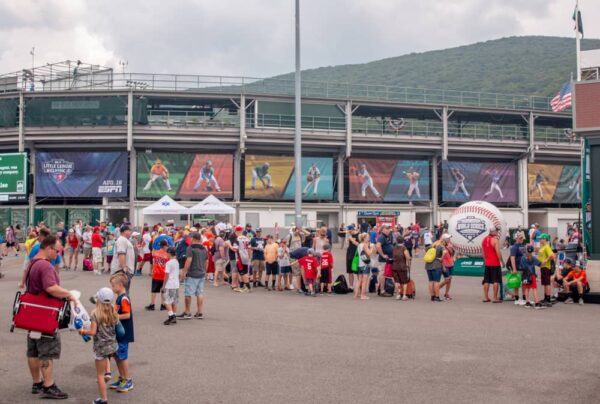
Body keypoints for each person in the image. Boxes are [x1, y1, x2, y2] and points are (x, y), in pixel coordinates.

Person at [23, 235, 73, 400]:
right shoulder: (45, 266)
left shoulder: (33, 263)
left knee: (33, 350)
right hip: (45, 315)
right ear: (49, 248)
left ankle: (36, 382)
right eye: (57, 251)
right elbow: (51, 288)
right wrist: (69, 294)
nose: (57, 254)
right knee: (47, 350)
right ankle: (48, 385)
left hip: (32, 313)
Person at [79, 287, 119, 404]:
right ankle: (109, 372)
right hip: (112, 346)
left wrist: (82, 331)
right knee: (106, 361)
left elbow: (92, 332)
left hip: (100, 348)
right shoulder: (114, 312)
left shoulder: (95, 314)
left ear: (98, 300)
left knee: (100, 376)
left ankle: (103, 399)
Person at [109, 273, 134, 393]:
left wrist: (115, 317)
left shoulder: (124, 298)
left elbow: (127, 314)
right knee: (118, 356)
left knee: (122, 357)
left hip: (124, 333)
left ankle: (128, 380)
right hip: (119, 332)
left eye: (113, 286)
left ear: (120, 285)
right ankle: (122, 378)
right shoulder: (119, 297)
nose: (112, 288)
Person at [178, 232, 208, 319]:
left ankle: (187, 312)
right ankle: (199, 312)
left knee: (188, 294)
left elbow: (188, 260)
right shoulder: (204, 249)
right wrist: (204, 271)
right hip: (201, 273)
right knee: (200, 293)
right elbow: (207, 261)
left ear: (194, 239)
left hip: (192, 274)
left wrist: (184, 272)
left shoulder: (190, 248)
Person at [110, 225, 136, 291]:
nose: (130, 232)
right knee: (123, 292)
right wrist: (124, 268)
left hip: (124, 270)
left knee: (124, 291)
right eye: (129, 230)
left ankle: (123, 301)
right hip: (121, 270)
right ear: (125, 231)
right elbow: (121, 254)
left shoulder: (125, 240)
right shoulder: (122, 240)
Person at [146, 239, 168, 311]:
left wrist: (151, 271)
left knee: (154, 290)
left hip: (156, 273)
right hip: (164, 274)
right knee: (163, 289)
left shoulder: (155, 253)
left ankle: (152, 304)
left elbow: (153, 262)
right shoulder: (167, 255)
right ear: (164, 246)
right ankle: (163, 304)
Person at [482, 226, 502, 303]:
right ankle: (495, 298)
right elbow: (498, 252)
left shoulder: (484, 239)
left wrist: (485, 260)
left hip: (488, 263)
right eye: (496, 231)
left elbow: (483, 253)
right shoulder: (495, 240)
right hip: (495, 263)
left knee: (486, 280)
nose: (497, 232)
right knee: (495, 280)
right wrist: (502, 261)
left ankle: (486, 297)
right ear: (492, 232)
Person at [162, 247, 180, 325]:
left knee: (167, 301)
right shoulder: (176, 262)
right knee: (174, 301)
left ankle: (171, 315)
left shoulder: (169, 263)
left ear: (169, 253)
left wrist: (163, 285)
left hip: (170, 284)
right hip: (176, 284)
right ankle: (174, 315)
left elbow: (167, 275)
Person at [508, 232, 527, 305]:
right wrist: (514, 269)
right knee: (517, 283)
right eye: (520, 237)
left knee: (524, 283)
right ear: (516, 238)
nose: (521, 239)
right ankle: (517, 299)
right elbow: (512, 258)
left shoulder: (524, 246)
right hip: (518, 267)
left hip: (524, 267)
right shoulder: (514, 247)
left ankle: (525, 298)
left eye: (522, 237)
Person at [375, 225, 394, 296]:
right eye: (386, 229)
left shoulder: (386, 237)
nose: (388, 230)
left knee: (385, 274)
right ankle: (382, 291)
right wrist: (383, 255)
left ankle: (382, 288)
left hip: (387, 259)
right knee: (382, 274)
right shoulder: (382, 237)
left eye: (389, 229)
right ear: (382, 230)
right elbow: (378, 246)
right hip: (383, 259)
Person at [537, 233, 555, 304]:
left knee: (547, 283)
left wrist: (546, 260)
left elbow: (552, 255)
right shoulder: (543, 247)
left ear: (544, 239)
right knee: (544, 283)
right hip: (542, 267)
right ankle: (545, 298)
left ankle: (548, 298)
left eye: (541, 238)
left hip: (546, 267)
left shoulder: (547, 247)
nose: (540, 240)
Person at [392, 235, 411, 301]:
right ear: (403, 241)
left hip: (394, 266)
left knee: (397, 281)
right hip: (402, 267)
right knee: (404, 281)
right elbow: (407, 257)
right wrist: (409, 260)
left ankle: (398, 294)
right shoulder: (404, 248)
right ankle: (404, 295)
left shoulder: (394, 248)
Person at [355, 233, 373, 300]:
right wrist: (371, 248)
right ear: (364, 238)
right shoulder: (365, 245)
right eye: (368, 237)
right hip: (365, 264)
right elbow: (369, 253)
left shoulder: (359, 245)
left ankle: (356, 294)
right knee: (364, 281)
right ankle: (363, 295)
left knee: (359, 280)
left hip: (360, 264)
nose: (369, 239)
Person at [438, 234, 455, 300]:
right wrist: (443, 266)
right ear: (444, 239)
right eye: (448, 238)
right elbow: (440, 257)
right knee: (447, 280)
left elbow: (452, 254)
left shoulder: (450, 245)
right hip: (445, 265)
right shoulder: (441, 246)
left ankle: (446, 293)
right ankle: (437, 288)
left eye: (449, 238)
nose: (449, 239)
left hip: (451, 264)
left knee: (449, 279)